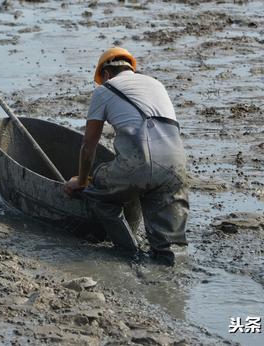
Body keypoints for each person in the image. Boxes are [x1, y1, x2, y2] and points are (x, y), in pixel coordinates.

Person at [64, 47, 189, 265]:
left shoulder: (104, 91)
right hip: (176, 164)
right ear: (130, 67)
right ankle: (172, 276)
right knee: (170, 241)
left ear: (105, 74)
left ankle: (129, 253)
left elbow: (88, 145)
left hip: (139, 163)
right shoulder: (156, 84)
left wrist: (82, 181)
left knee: (97, 192)